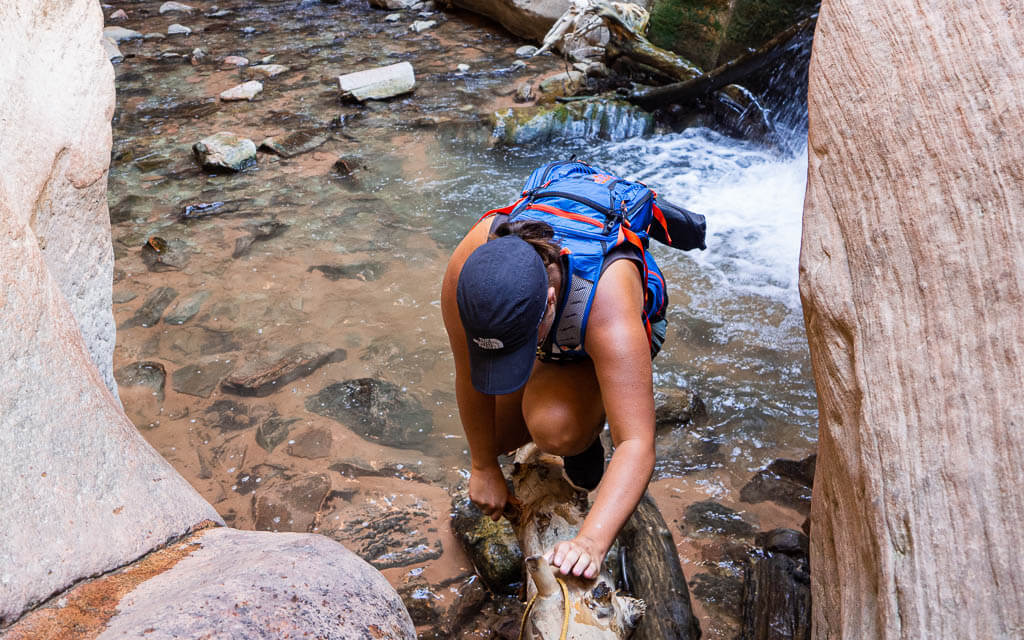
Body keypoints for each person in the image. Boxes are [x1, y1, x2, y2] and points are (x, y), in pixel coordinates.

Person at [441, 164, 703, 581]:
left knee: (555, 428)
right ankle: (548, 396)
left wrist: (590, 542)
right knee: (500, 437)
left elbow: (636, 443)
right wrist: (482, 465)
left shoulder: (607, 303)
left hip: (596, 330)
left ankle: (582, 442)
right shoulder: (469, 269)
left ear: (548, 301)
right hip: (551, 328)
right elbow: (466, 372)